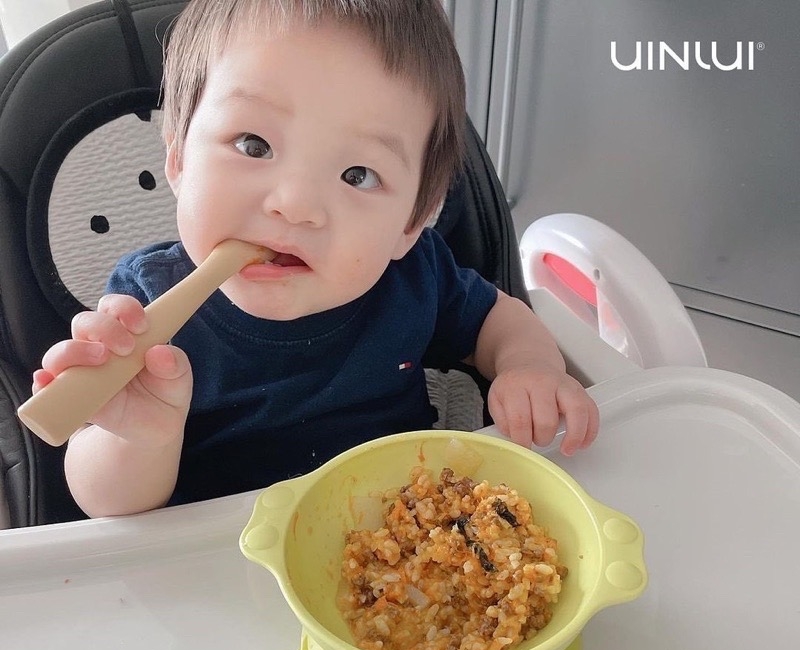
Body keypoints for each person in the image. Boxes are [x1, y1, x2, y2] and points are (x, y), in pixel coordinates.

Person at [32, 0, 599, 517]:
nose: (296, 204)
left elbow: (499, 318)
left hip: (398, 538)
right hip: (216, 560)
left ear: (410, 224)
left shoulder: (414, 276)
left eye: (359, 175)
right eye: (254, 145)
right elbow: (107, 507)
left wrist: (530, 368)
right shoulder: (147, 310)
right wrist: (140, 438)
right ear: (178, 160)